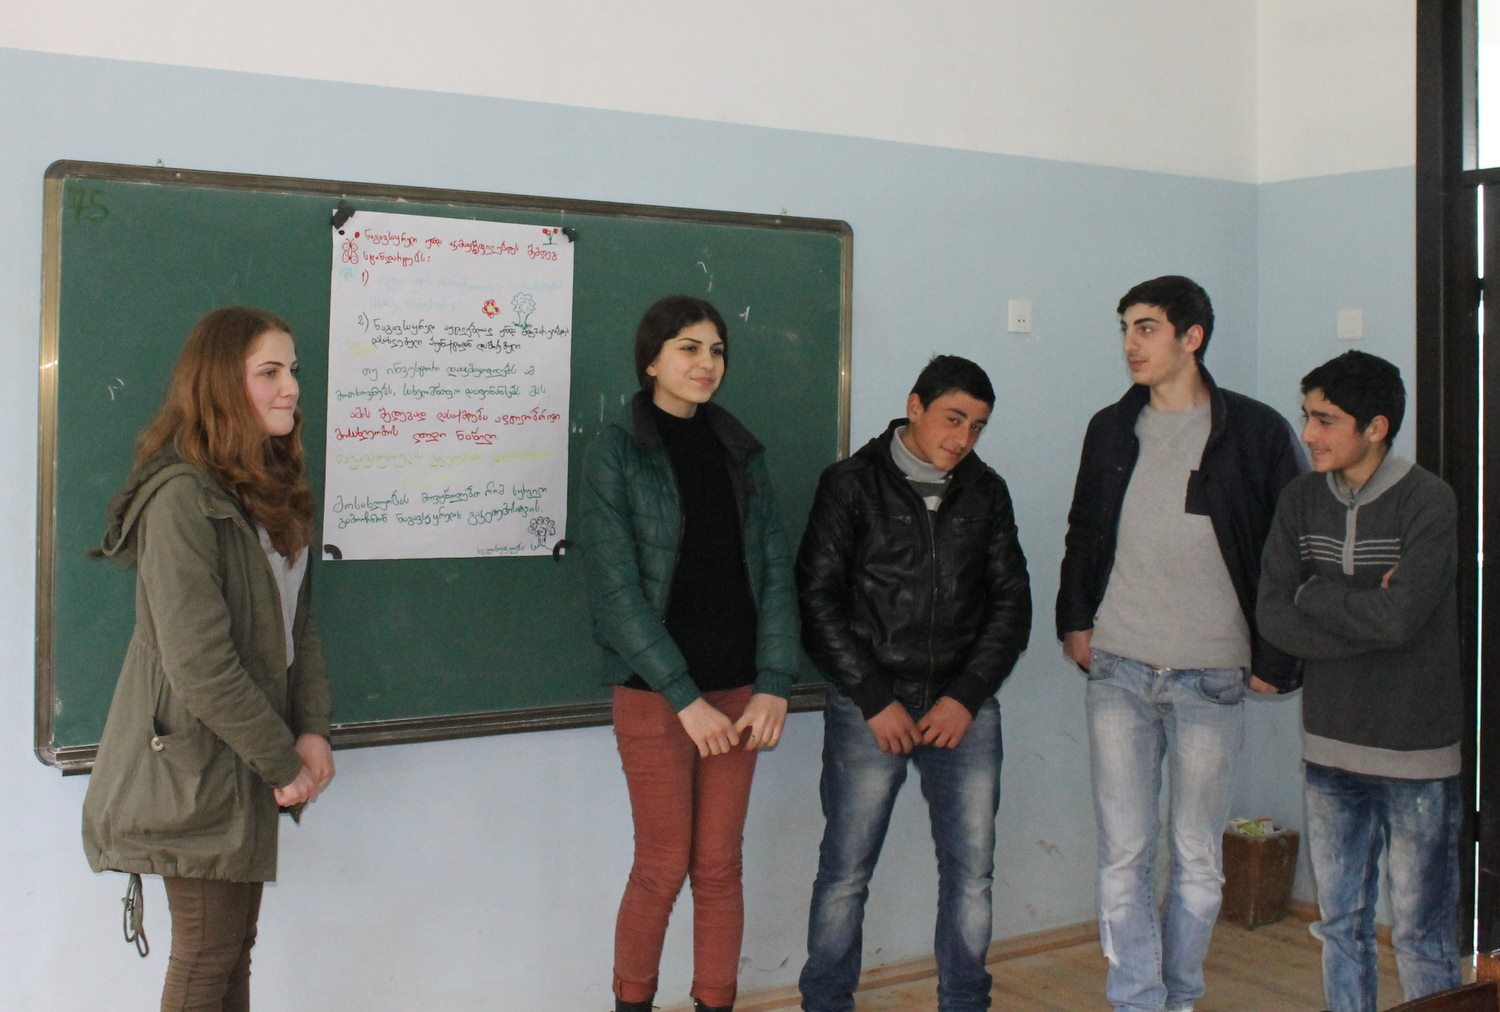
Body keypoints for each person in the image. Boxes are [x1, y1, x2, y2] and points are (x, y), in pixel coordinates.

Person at [1056, 276, 1303, 1012]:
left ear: (1192, 338)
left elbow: (1287, 550)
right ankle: (1138, 999)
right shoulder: (1110, 428)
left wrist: (1277, 659)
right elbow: (1083, 531)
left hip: (1213, 676)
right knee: (1124, 856)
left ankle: (1180, 995)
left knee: (1197, 858)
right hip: (1119, 669)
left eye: (1147, 328)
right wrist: (1076, 622)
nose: (1131, 344)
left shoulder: (1254, 431)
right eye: (1125, 328)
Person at [82, 306, 335, 1011]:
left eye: (292, 370)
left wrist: (312, 729)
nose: (291, 387)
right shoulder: (181, 501)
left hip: (247, 754)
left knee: (230, 952)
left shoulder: (268, 493)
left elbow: (298, 628)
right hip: (192, 766)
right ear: (223, 383)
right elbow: (201, 665)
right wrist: (284, 762)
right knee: (206, 955)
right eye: (269, 372)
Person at [579, 294, 799, 1012]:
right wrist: (684, 697)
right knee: (662, 865)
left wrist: (774, 681)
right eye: (689, 348)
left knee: (719, 869)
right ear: (651, 360)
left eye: (717, 350)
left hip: (739, 695)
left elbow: (775, 572)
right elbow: (615, 595)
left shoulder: (741, 451)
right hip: (655, 696)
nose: (708, 363)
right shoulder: (616, 450)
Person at [796, 355, 1032, 1012]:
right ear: (915, 407)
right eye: (953, 419)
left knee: (972, 875)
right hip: (869, 709)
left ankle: (966, 1002)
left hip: (963, 710)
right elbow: (816, 600)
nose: (962, 438)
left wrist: (965, 697)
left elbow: (1011, 604)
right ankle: (826, 1003)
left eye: (977, 426)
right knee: (845, 872)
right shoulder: (850, 484)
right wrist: (874, 699)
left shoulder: (987, 492)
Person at [1257, 350, 1461, 1012]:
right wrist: (1365, 613)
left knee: (1423, 935)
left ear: (1376, 427)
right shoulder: (1299, 499)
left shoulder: (1428, 500)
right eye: (1307, 416)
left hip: (1417, 754)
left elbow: (1402, 620)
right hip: (1330, 747)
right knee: (1340, 925)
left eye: (1326, 420)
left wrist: (1315, 594)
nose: (1308, 433)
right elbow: (1272, 614)